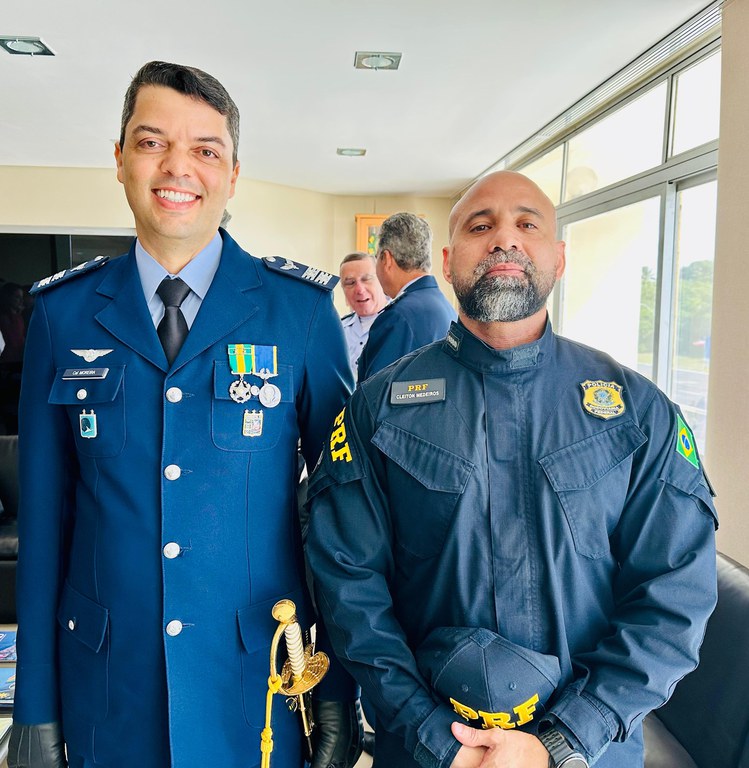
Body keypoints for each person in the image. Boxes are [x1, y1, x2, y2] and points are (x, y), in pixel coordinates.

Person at [9, 61, 360, 768]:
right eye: (150, 142)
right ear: (119, 160)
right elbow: (43, 525)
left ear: (232, 174)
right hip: (108, 684)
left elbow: (346, 520)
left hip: (256, 685)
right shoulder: (62, 313)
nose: (178, 167)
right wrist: (35, 709)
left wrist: (337, 689)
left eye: (206, 149)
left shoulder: (299, 312)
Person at [306, 170, 718, 768]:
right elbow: (348, 584)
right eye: (481, 226)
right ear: (448, 261)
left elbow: (674, 591)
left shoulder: (637, 412)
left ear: (559, 257)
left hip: (590, 751)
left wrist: (566, 739)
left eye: (527, 224)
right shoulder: (378, 407)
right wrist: (432, 733)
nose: (504, 240)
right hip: (425, 750)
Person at [356, 212, 456, 381]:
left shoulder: (399, 316)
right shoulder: (443, 306)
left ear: (386, 259)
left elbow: (373, 397)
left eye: (376, 257)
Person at [338, 252, 389, 377]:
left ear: (381, 280)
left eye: (366, 279)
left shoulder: (399, 324)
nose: (359, 289)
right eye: (350, 283)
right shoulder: (337, 331)